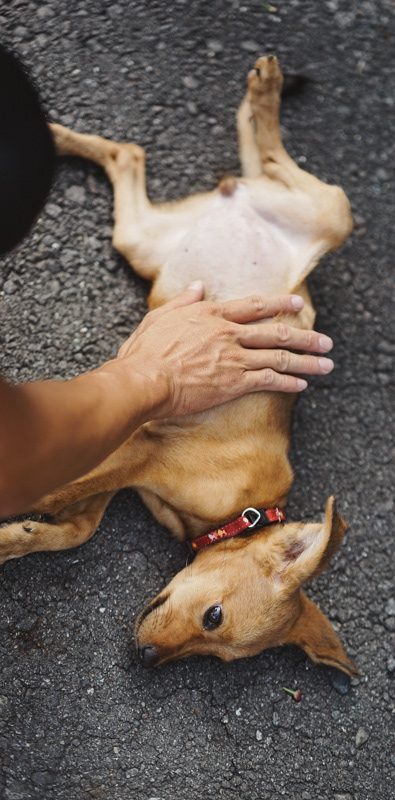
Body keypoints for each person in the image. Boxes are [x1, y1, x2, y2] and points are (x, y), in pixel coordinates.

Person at [0, 46, 334, 518]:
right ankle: (268, 140)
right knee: (330, 216)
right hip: (281, 245)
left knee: (134, 241)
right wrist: (157, 378)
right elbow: (18, 461)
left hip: (186, 254)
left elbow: (106, 449)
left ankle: (125, 162)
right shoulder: (232, 490)